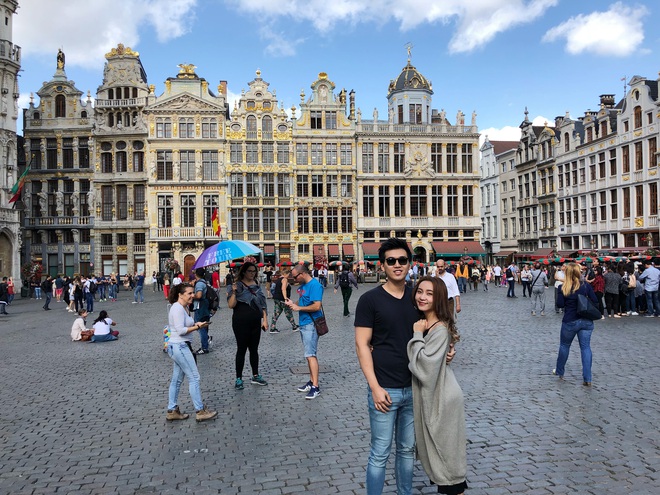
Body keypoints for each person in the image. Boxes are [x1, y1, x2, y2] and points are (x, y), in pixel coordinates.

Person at [353, 237, 419, 494]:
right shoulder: (370, 300)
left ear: (410, 263)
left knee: (407, 451)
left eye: (402, 260)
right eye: (391, 261)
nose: (397, 265)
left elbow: (436, 330)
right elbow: (362, 345)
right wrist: (375, 387)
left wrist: (448, 349)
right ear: (382, 265)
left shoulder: (418, 297)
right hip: (385, 389)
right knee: (380, 452)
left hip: (414, 387)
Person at [407, 276, 468, 495]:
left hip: (443, 398)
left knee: (448, 464)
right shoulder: (427, 323)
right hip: (437, 393)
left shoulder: (438, 329)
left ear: (439, 298)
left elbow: (424, 367)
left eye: (429, 294)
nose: (422, 297)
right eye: (420, 291)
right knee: (442, 461)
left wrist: (417, 334)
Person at [166, 283, 217, 422]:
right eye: (189, 293)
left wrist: (197, 324)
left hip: (179, 346)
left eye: (193, 292)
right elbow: (181, 330)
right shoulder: (177, 308)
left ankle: (172, 410)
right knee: (194, 377)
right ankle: (200, 411)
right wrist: (197, 327)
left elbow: (185, 325)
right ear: (180, 295)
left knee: (177, 379)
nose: (193, 295)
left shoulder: (184, 307)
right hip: (180, 346)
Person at [553, 262, 598, 386]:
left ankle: (560, 371)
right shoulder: (585, 286)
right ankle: (587, 378)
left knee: (564, 346)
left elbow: (560, 304)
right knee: (586, 348)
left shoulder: (563, 287)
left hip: (570, 320)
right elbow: (595, 301)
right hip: (586, 320)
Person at [227, 262, 269, 390]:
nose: (252, 273)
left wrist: (265, 319)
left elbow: (262, 303)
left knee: (254, 349)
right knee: (241, 349)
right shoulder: (237, 285)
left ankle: (255, 375)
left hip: (255, 321)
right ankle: (239, 378)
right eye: (250, 271)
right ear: (244, 272)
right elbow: (231, 305)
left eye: (254, 271)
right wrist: (234, 292)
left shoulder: (257, 284)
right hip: (240, 322)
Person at [285, 263, 324, 399]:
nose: (294, 279)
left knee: (311, 354)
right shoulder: (303, 286)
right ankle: (311, 381)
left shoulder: (315, 285)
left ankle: (316, 386)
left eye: (295, 277)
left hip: (311, 324)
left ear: (302, 274)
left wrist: (299, 308)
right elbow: (303, 301)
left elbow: (317, 306)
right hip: (304, 323)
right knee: (308, 355)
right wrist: (293, 304)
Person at [269, 269, 299, 333]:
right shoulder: (284, 279)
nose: (289, 276)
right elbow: (283, 289)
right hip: (282, 299)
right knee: (288, 313)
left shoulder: (278, 280)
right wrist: (285, 298)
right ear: (286, 274)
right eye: (288, 274)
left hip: (276, 298)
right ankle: (294, 327)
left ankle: (272, 328)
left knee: (276, 313)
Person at [193, 268, 213, 355]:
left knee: (199, 326)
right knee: (203, 325)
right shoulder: (204, 282)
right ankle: (207, 339)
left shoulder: (199, 284)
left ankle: (204, 347)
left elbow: (199, 295)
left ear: (196, 274)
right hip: (205, 306)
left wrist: (191, 295)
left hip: (200, 307)